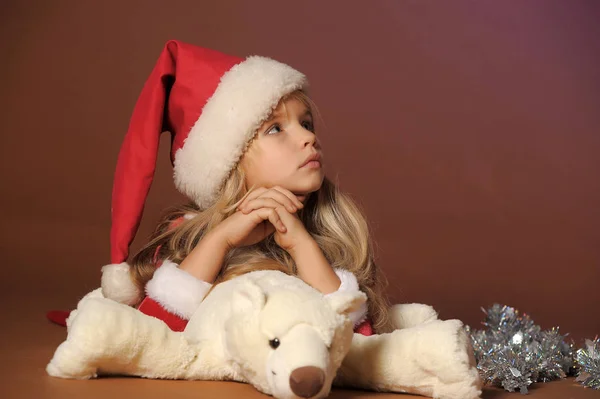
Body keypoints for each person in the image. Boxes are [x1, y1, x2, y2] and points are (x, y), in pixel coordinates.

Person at [47, 39, 392, 336]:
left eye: (305, 123)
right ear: (229, 164)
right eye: (275, 129)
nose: (309, 137)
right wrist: (221, 239)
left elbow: (355, 335)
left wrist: (301, 245)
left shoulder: (333, 230)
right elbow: (153, 332)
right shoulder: (187, 238)